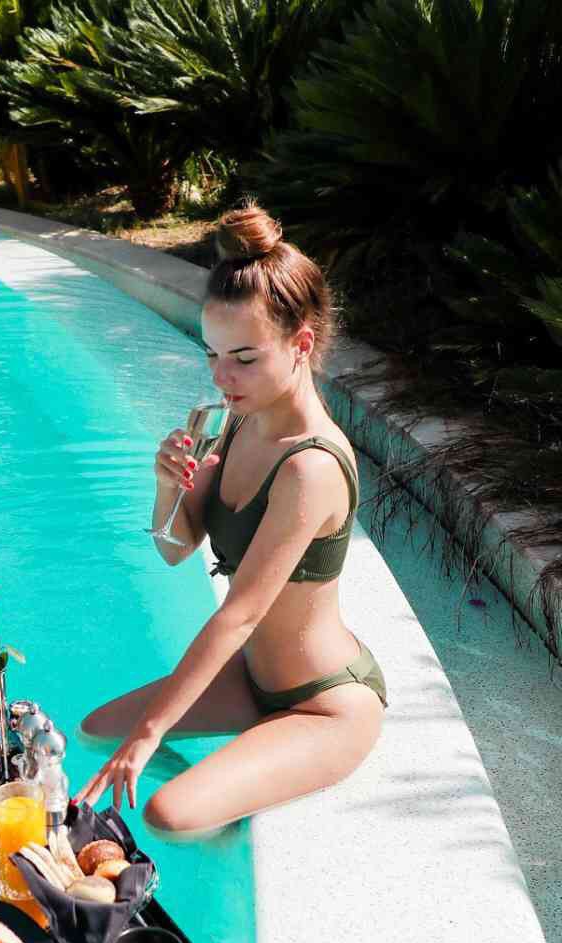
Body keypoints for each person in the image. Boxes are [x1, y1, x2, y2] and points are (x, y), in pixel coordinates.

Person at [74, 201, 387, 837]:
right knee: (94, 731)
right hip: (252, 678)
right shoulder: (236, 420)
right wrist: (167, 487)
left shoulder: (310, 467)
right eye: (213, 353)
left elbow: (239, 613)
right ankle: (244, 758)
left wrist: (150, 734)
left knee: (167, 814)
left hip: (323, 701)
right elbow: (174, 548)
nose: (222, 376)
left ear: (300, 344)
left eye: (244, 357)